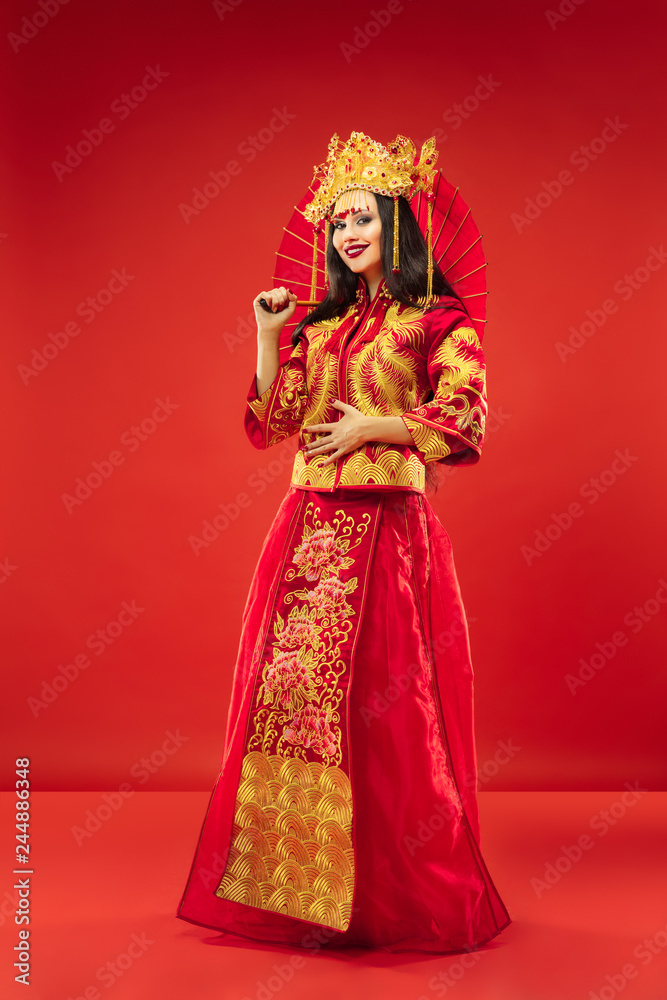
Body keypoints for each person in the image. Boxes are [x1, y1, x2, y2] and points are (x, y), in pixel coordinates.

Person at [177, 131, 511, 954]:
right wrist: (265, 334)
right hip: (304, 536)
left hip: (388, 540)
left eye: (361, 217)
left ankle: (392, 898)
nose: (346, 234)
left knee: (390, 718)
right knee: (290, 708)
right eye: (336, 223)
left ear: (396, 223)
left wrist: (380, 424)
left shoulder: (438, 320)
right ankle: (300, 895)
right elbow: (272, 423)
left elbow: (465, 416)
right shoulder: (321, 327)